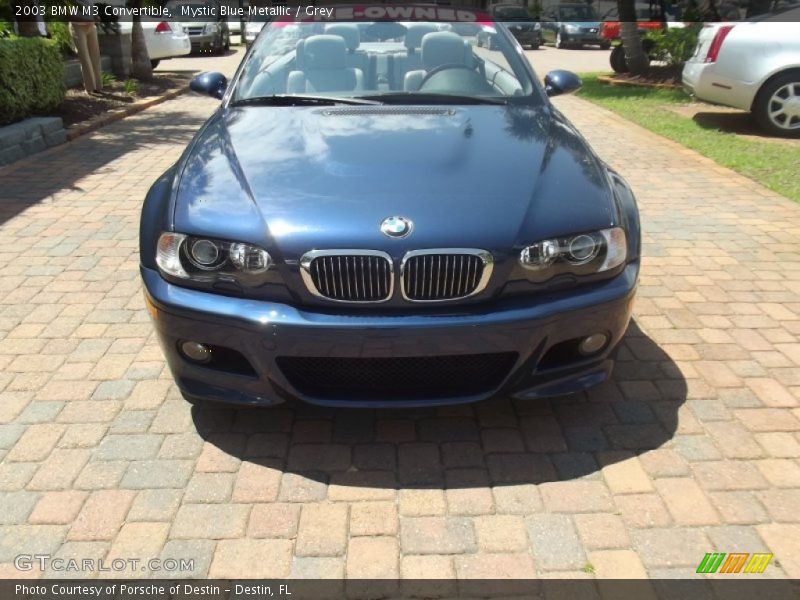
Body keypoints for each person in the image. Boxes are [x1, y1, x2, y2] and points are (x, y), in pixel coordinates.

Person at [68, 0, 103, 93]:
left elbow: (90, 5)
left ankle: (98, 87)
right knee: (84, 57)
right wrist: (88, 20)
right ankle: (90, 88)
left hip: (91, 26)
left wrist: (95, 17)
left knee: (95, 57)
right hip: (77, 27)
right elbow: (67, 14)